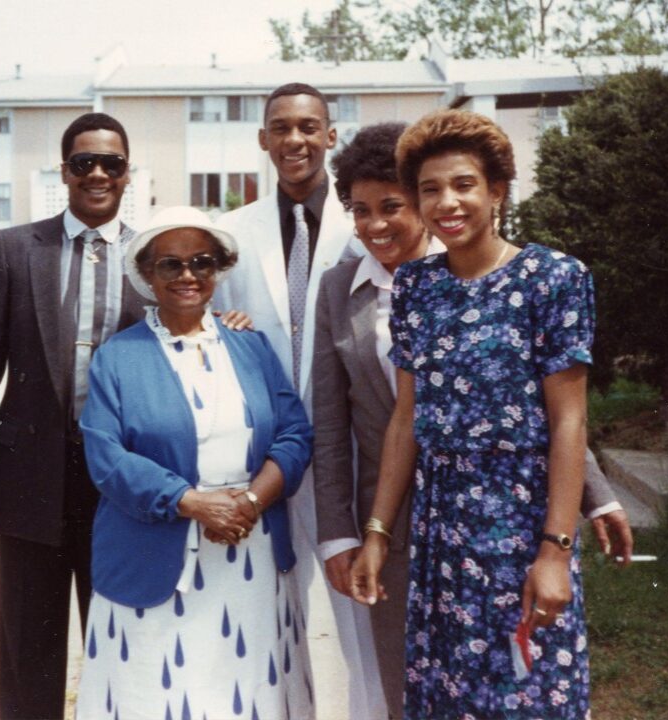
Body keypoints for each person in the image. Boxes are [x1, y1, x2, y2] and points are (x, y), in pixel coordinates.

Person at [314, 122, 631, 718]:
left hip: (520, 524)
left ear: (498, 190)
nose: (447, 202)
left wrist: (556, 552)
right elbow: (407, 419)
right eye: (430, 190)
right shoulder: (415, 286)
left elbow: (568, 424)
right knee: (447, 698)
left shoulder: (554, 279)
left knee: (529, 692)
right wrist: (379, 532)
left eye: (463, 185)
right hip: (441, 535)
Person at [75, 206, 315, 720]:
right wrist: (191, 502)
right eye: (170, 265)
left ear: (219, 270)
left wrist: (250, 501)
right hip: (154, 556)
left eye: (201, 262)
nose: (187, 275)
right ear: (146, 274)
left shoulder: (250, 345)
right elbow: (106, 456)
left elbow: (295, 433)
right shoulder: (117, 357)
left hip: (249, 558)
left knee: (245, 694)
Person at [0, 113, 146, 719]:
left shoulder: (150, 256)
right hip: (29, 476)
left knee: (120, 647)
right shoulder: (15, 249)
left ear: (127, 173)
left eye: (111, 163)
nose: (98, 174)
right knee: (29, 652)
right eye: (84, 162)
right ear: (64, 171)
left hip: (117, 485)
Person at [215, 82, 387, 718]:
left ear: (331, 135)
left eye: (309, 127)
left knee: (361, 625)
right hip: (266, 462)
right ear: (263, 140)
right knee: (270, 630)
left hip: (347, 458)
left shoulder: (364, 225)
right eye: (281, 128)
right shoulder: (230, 234)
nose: (296, 140)